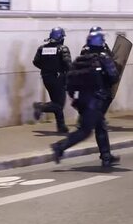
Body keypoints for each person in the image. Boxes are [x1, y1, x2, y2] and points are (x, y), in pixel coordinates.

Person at [50, 30, 120, 168]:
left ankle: (106, 156)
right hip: (96, 100)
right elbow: (114, 77)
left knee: (101, 127)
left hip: (82, 100)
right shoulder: (103, 58)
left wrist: (74, 98)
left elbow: (71, 80)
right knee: (85, 131)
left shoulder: (81, 58)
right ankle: (59, 147)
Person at [32, 27, 72, 133]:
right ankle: (41, 107)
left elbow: (36, 62)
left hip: (46, 78)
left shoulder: (42, 48)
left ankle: (61, 126)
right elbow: (68, 65)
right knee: (59, 104)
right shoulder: (63, 48)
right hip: (58, 78)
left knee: (56, 102)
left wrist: (46, 69)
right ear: (61, 38)